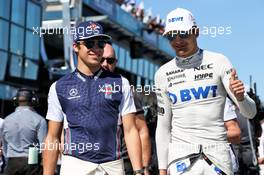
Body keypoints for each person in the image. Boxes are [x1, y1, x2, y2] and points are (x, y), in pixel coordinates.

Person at [155, 8, 257, 175]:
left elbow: (250, 113)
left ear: (196, 32)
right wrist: (162, 169)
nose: (177, 40)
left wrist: (240, 98)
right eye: (171, 36)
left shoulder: (219, 61)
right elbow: (163, 126)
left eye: (183, 34)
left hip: (217, 157)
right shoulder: (162, 74)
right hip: (180, 158)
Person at [43, 21, 144, 175]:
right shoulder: (58, 87)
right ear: (76, 47)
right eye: (90, 43)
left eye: (101, 44)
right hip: (74, 166)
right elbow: (52, 137)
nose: (96, 49)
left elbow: (130, 130)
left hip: (112, 166)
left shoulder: (121, 83)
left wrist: (138, 171)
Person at [101, 43, 152, 175]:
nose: (105, 64)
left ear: (116, 63)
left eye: (110, 60)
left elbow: (142, 131)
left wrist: (144, 168)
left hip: (124, 163)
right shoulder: (83, 87)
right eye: (102, 59)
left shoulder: (126, 88)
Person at [2, 88, 47, 175]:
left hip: (11, 163)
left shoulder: (6, 120)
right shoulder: (39, 120)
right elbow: (44, 148)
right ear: (33, 100)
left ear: (16, 100)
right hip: (32, 163)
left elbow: (5, 147)